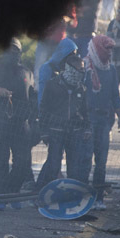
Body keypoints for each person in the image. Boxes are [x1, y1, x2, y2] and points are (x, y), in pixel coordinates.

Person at [0, 38, 36, 195]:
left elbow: (33, 97)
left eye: (15, 49)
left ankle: (11, 192)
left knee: (23, 163)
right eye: (9, 49)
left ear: (20, 52)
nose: (12, 53)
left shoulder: (27, 71)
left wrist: (33, 118)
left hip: (21, 123)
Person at [36, 54, 92, 189]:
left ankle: (72, 194)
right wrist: (43, 131)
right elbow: (44, 108)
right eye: (80, 69)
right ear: (70, 68)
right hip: (56, 131)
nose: (82, 72)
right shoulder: (52, 84)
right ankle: (40, 192)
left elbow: (85, 110)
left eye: (83, 69)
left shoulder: (81, 88)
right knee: (53, 164)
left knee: (74, 167)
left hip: (75, 132)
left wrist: (87, 127)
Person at [84, 35, 120, 210]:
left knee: (101, 162)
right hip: (88, 119)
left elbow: (115, 94)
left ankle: (98, 198)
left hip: (104, 120)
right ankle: (83, 199)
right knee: (84, 160)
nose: (110, 52)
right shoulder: (86, 67)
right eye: (107, 48)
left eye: (111, 49)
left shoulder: (111, 70)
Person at [37, 37, 78, 105]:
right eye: (71, 54)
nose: (73, 58)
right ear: (63, 53)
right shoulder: (47, 68)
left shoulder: (69, 70)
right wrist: (41, 113)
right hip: (50, 108)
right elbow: (42, 93)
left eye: (75, 55)